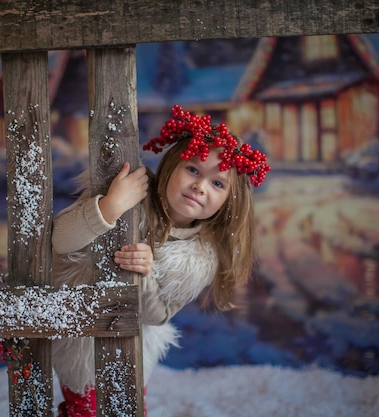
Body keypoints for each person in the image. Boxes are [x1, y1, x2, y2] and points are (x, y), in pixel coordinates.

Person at [51, 104, 270, 417]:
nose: (199, 186)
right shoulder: (131, 195)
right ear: (171, 165)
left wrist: (147, 272)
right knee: (83, 409)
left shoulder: (200, 256)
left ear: (229, 201)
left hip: (134, 344)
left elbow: (157, 315)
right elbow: (60, 241)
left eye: (217, 183)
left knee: (128, 407)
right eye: (193, 169)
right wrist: (111, 206)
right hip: (84, 333)